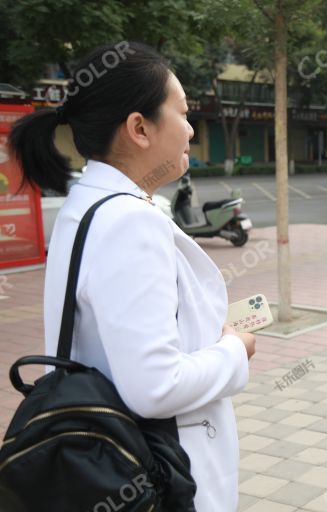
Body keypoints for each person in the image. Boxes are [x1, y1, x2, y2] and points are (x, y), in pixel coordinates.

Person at [9, 42, 255, 511]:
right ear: (139, 128)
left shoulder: (87, 206)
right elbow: (155, 387)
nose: (191, 130)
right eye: (182, 114)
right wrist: (233, 350)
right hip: (159, 469)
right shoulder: (128, 221)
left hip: (107, 456)